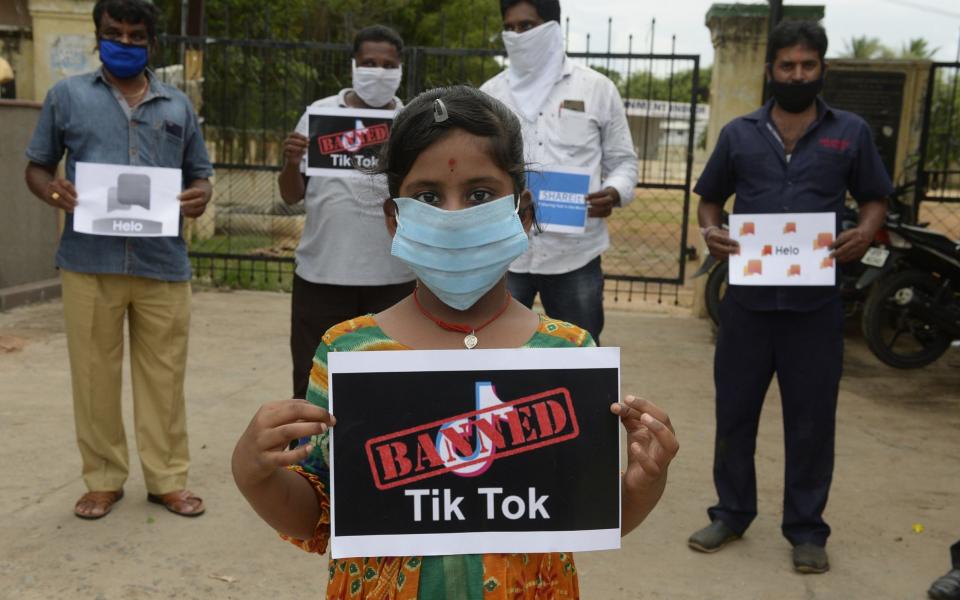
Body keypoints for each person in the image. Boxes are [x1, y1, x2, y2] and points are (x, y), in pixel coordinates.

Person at [232, 85, 678, 598]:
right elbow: (320, 514)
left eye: (480, 194)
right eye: (427, 197)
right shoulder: (348, 351)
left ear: (524, 213)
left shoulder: (570, 354)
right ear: (394, 219)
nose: (453, 214)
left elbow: (581, 510)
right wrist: (254, 474)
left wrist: (643, 485)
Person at [687, 21, 890, 573]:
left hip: (815, 307)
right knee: (734, 414)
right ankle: (731, 513)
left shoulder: (850, 133)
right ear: (770, 69)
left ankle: (806, 530)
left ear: (822, 68)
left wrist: (866, 230)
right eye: (787, 65)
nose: (797, 74)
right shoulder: (739, 134)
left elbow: (875, 197)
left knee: (811, 420)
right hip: (747, 304)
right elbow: (710, 200)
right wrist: (712, 231)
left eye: (807, 65)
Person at [23, 0, 212, 519]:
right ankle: (103, 478)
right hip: (89, 260)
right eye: (114, 33)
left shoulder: (177, 106)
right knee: (93, 376)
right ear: (97, 34)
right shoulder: (67, 97)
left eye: (134, 36)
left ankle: (168, 479)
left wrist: (200, 195)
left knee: (165, 378)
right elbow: (37, 167)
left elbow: (200, 174)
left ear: (152, 42)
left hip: (162, 263)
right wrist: (52, 191)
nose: (123, 44)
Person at [479, 0, 638, 344]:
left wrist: (612, 192)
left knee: (579, 355)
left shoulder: (596, 89)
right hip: (506, 254)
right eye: (510, 28)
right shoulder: (489, 95)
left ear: (553, 27)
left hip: (574, 256)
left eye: (527, 25)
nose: (517, 35)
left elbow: (623, 161)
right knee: (494, 351)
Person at [278, 24, 415, 400]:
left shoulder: (411, 123)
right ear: (354, 65)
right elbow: (291, 195)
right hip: (322, 275)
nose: (378, 71)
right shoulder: (319, 115)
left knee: (388, 387)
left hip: (393, 277)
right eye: (369, 62)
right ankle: (310, 458)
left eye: (388, 64)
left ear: (401, 69)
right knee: (312, 382)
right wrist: (291, 162)